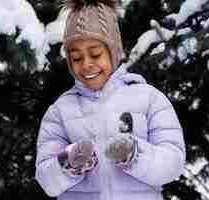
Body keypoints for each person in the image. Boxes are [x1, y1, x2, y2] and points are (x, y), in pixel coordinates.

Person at [35, 0, 186, 199]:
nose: (87, 64)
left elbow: (173, 164)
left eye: (95, 54)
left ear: (113, 52)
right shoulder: (60, 111)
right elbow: (47, 181)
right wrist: (69, 163)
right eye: (77, 58)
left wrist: (136, 155)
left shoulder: (149, 99)